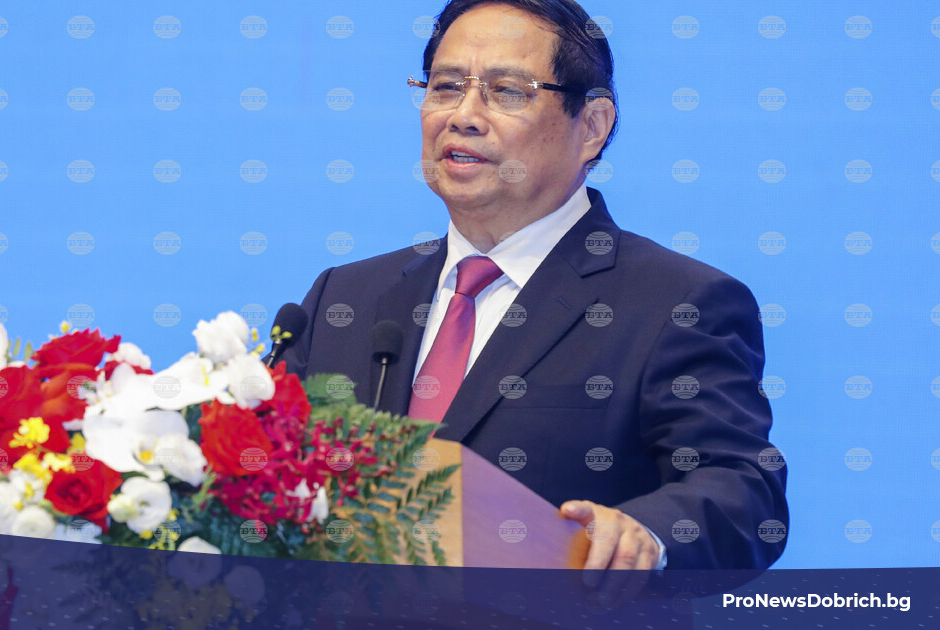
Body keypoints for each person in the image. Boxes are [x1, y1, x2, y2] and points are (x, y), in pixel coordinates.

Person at [280, 0, 788, 571]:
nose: (464, 116)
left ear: (592, 126)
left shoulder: (676, 303)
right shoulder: (344, 298)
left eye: (507, 92)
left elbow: (742, 492)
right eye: (446, 87)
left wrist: (645, 534)